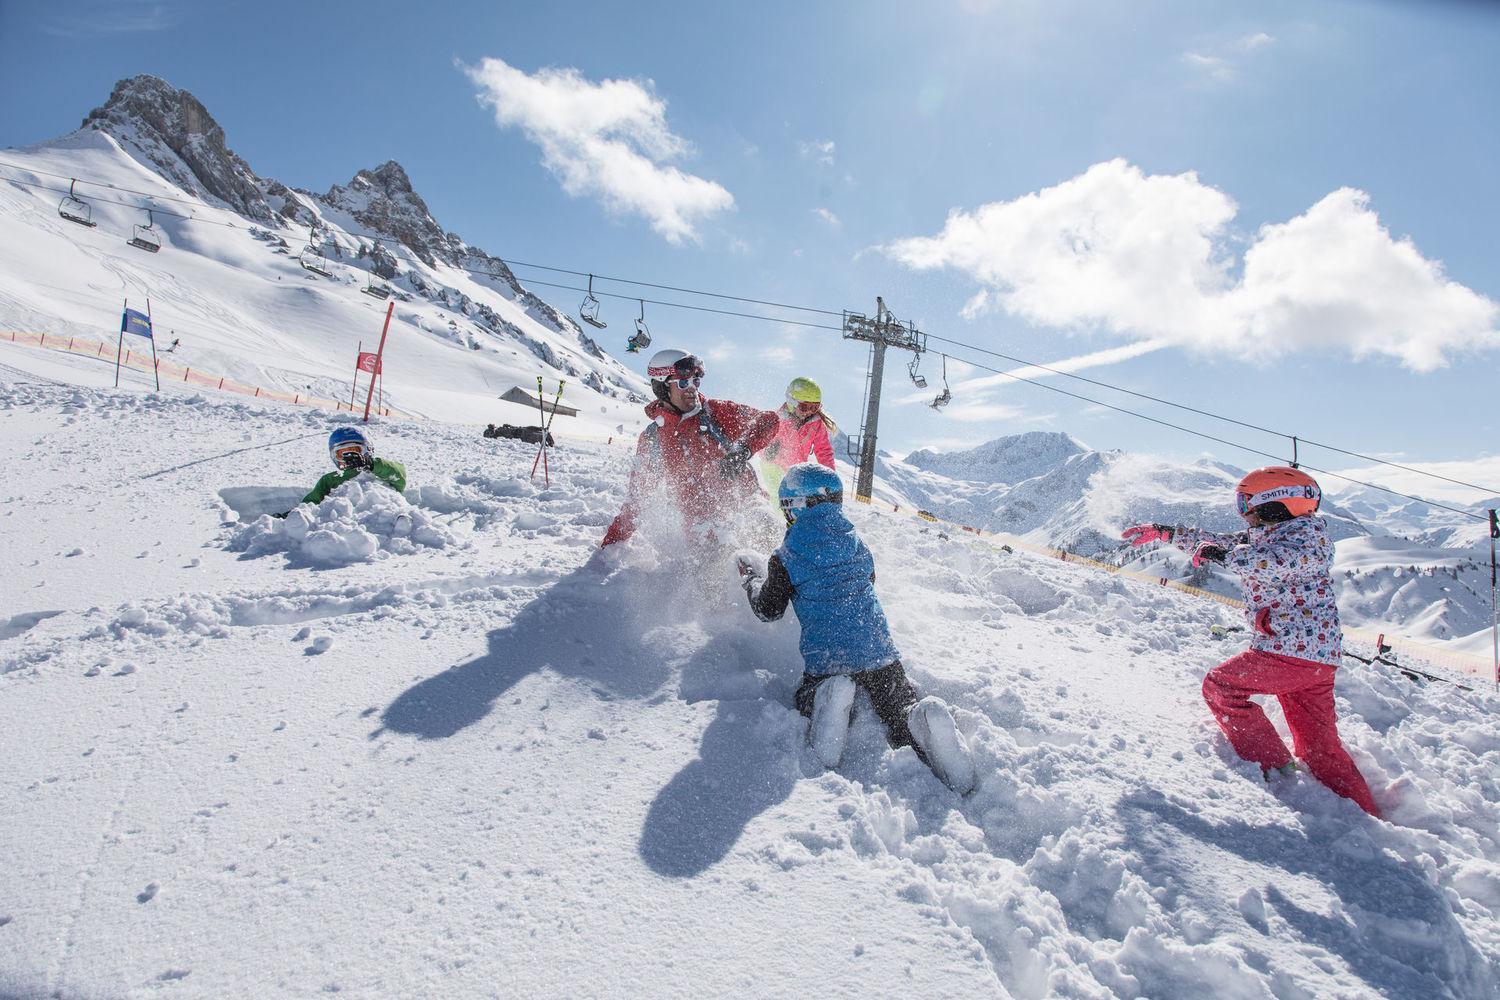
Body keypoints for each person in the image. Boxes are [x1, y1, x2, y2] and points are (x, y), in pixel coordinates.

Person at [1122, 466, 1380, 817]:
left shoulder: (1306, 542)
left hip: (1289, 652)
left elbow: (1270, 564)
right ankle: (1367, 816)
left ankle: (1275, 768)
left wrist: (1221, 556)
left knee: (1221, 687)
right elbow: (1219, 541)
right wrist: (1166, 533)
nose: (1243, 512)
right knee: (1318, 747)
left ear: (1276, 503)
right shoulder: (1274, 534)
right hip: (1312, 659)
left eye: (1247, 503)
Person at [737, 462, 977, 793]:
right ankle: (919, 719)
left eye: (788, 508)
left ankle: (827, 697)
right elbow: (869, 580)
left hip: (828, 659)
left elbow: (768, 610)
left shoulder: (787, 556)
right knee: (897, 706)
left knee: (806, 696)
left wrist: (752, 580)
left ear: (799, 506)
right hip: (880, 653)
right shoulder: (855, 543)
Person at [601, 349, 781, 548]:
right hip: (703, 529)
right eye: (683, 383)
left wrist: (742, 450)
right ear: (661, 387)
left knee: (765, 530)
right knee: (719, 553)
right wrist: (608, 547)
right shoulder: (653, 439)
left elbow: (768, 420)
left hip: (747, 508)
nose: (692, 388)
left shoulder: (714, 412)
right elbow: (637, 500)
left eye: (696, 381)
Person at [757, 376, 837, 497]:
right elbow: (760, 443)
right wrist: (767, 451)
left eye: (814, 407)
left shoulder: (816, 423)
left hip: (796, 471)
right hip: (773, 467)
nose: (809, 412)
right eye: (804, 407)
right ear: (792, 402)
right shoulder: (777, 420)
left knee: (798, 502)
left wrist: (829, 477)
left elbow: (824, 451)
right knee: (780, 499)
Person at [299, 427, 407, 506]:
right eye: (341, 454)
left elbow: (399, 475)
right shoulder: (330, 480)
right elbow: (310, 504)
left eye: (354, 451)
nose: (349, 457)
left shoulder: (380, 471)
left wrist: (371, 464)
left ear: (368, 450)